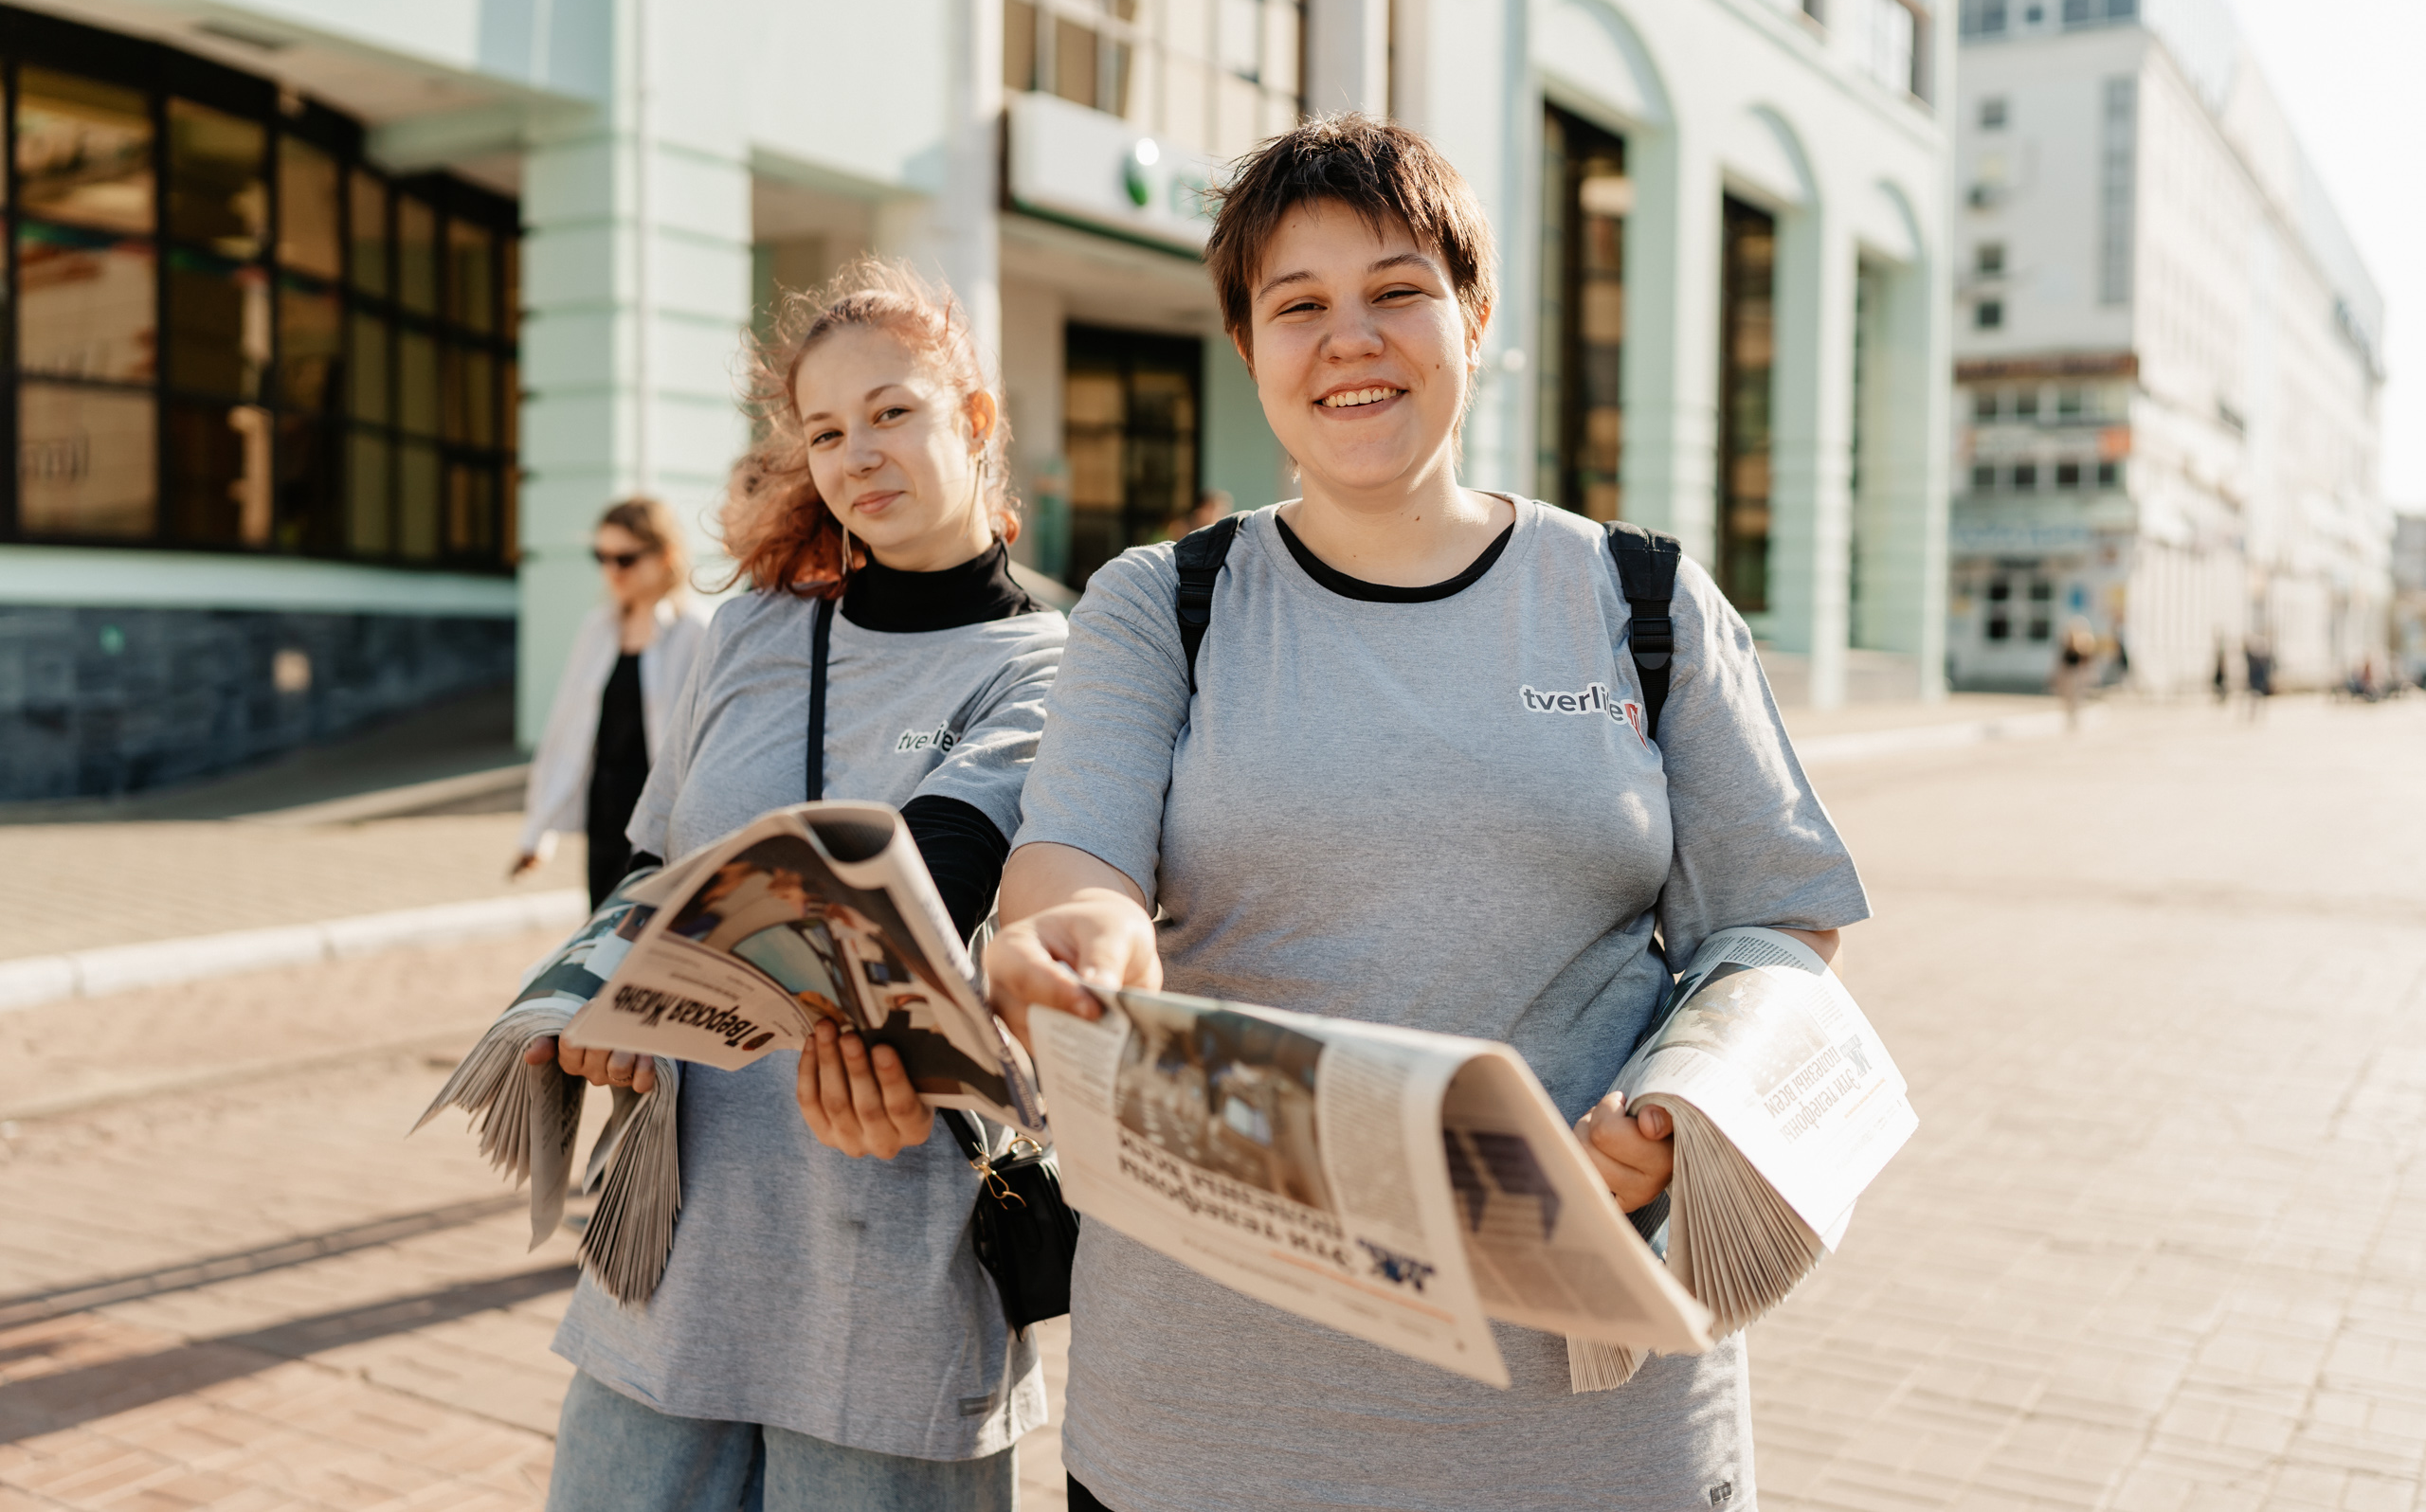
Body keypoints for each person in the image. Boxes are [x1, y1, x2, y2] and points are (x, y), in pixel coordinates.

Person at [983, 116, 1872, 1512]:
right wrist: (1069, 942)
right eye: (1299, 306)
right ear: (1250, 347)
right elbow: (1074, 864)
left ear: (1474, 316)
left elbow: (1779, 916)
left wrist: (1682, 1099)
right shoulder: (1160, 603)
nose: (1352, 339)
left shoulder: (1642, 601)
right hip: (1208, 1426)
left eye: (1397, 290)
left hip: (1585, 1429)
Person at [527, 259, 1068, 1511]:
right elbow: (652, 857)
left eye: (892, 412)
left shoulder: (1056, 660)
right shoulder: (754, 629)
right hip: (678, 1238)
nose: (858, 456)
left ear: (974, 419)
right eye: (826, 431)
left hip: (890, 1260)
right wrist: (596, 1003)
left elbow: (936, 875)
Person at [513, 497, 709, 907]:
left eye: (625, 559)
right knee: (601, 947)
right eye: (600, 557)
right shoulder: (597, 629)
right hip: (604, 815)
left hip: (661, 825)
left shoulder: (696, 632)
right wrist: (538, 834)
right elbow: (564, 733)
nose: (610, 571)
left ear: (665, 556)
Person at [2051, 616, 2098, 730]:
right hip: (2067, 674)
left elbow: (2085, 664)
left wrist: (2087, 677)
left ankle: (2074, 718)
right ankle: (2069, 717)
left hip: (2076, 675)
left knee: (2076, 698)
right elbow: (2061, 664)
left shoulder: (2081, 647)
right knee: (2067, 698)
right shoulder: (2066, 647)